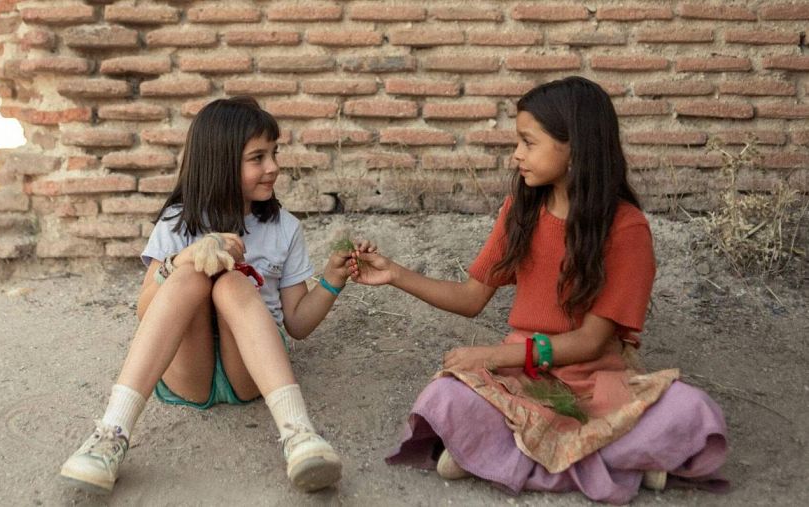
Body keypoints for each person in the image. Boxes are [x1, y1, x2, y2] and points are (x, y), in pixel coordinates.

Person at [348, 77, 728, 504]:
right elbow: (471, 298)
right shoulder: (520, 211)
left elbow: (590, 341)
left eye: (529, 142)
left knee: (692, 410)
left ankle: (499, 457)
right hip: (522, 381)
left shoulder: (626, 229)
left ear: (574, 150)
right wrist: (394, 273)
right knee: (444, 397)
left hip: (595, 380)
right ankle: (621, 461)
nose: (517, 154)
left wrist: (492, 355)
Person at [60, 96, 373, 494]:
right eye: (257, 158)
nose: (273, 167)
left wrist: (331, 280)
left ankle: (299, 435)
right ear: (220, 161)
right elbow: (145, 310)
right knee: (193, 274)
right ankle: (110, 436)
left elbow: (296, 322)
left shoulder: (284, 228)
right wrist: (184, 258)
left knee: (230, 281)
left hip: (250, 369)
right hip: (187, 369)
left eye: (274, 154)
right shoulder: (178, 221)